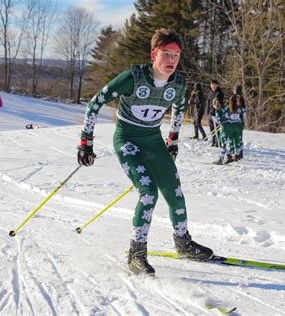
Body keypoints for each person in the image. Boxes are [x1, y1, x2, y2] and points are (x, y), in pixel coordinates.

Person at [77, 28, 213, 276]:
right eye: (165, 54)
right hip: (127, 139)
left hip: (153, 141)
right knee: (148, 193)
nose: (171, 60)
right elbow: (95, 102)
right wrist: (86, 141)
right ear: (153, 54)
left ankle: (183, 243)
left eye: (175, 55)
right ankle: (136, 255)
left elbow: (180, 109)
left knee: (175, 193)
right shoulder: (133, 77)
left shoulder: (178, 83)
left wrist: (172, 139)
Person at [211, 98, 234, 165]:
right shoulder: (223, 110)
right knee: (223, 143)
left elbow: (219, 121)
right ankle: (229, 156)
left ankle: (222, 159)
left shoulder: (217, 111)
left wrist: (213, 117)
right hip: (229, 127)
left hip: (224, 128)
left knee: (222, 143)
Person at [228, 84, 246, 160]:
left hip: (234, 121)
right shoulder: (242, 98)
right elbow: (244, 109)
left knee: (233, 138)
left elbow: (230, 107)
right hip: (240, 121)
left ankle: (234, 154)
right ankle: (240, 153)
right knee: (239, 138)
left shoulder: (233, 97)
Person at [206, 80, 224, 147]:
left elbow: (219, 104)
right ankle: (213, 141)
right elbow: (208, 102)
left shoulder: (219, 93)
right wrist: (208, 112)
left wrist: (215, 110)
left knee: (217, 128)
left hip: (217, 113)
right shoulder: (210, 92)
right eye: (211, 85)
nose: (212, 86)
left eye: (214, 85)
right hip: (210, 113)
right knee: (212, 128)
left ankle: (217, 142)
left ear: (217, 85)